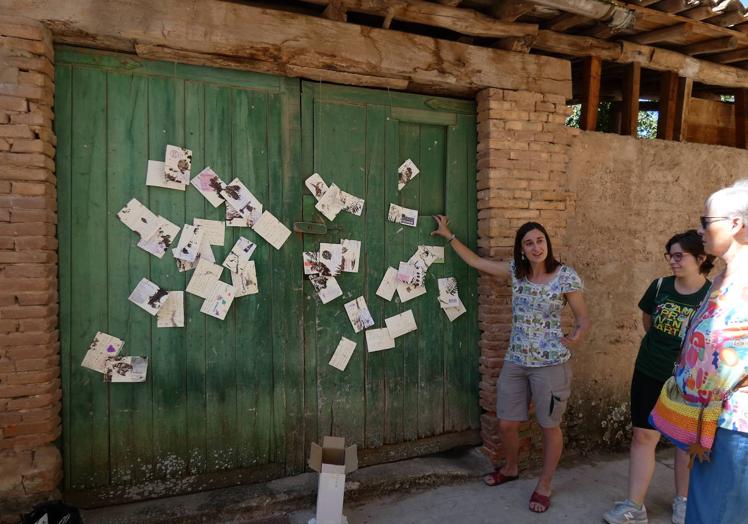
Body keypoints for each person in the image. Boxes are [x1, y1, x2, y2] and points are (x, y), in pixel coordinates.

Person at [431, 216, 589, 513]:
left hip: (551, 363)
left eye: (540, 240)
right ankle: (512, 467)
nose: (536, 247)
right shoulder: (516, 273)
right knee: (506, 423)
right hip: (516, 361)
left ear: (547, 243)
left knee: (548, 425)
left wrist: (577, 334)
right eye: (529, 243)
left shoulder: (565, 276)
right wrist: (449, 236)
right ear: (522, 249)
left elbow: (583, 317)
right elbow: (478, 262)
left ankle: (544, 484)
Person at [604, 231, 714, 524]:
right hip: (649, 370)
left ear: (700, 259)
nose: (673, 262)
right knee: (642, 435)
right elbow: (648, 320)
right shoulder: (661, 285)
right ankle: (635, 506)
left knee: (683, 442)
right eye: (670, 255)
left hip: (686, 381)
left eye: (679, 256)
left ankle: (684, 502)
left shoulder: (710, 295)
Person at [675, 180, 748, 524]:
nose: (700, 229)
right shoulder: (721, 277)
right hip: (710, 423)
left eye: (706, 221)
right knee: (704, 511)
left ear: (735, 224)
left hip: (738, 424)